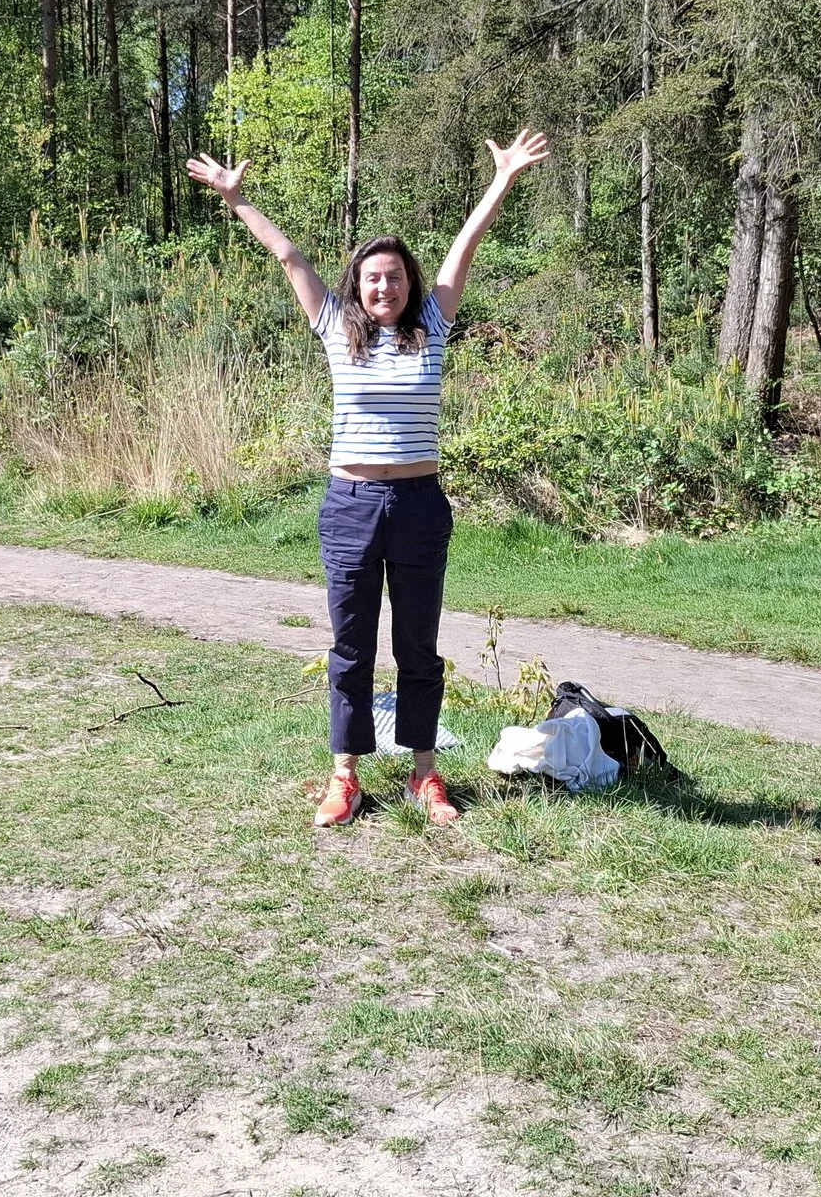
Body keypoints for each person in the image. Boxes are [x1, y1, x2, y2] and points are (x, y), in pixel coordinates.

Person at [186, 131, 552, 829]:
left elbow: (464, 246)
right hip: (350, 505)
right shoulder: (333, 327)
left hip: (418, 505)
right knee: (351, 646)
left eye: (395, 275)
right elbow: (288, 254)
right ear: (357, 284)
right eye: (372, 276)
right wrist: (237, 199)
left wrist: (502, 180)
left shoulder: (434, 326)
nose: (384, 285)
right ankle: (344, 776)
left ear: (410, 284)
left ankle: (424, 774)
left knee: (418, 645)